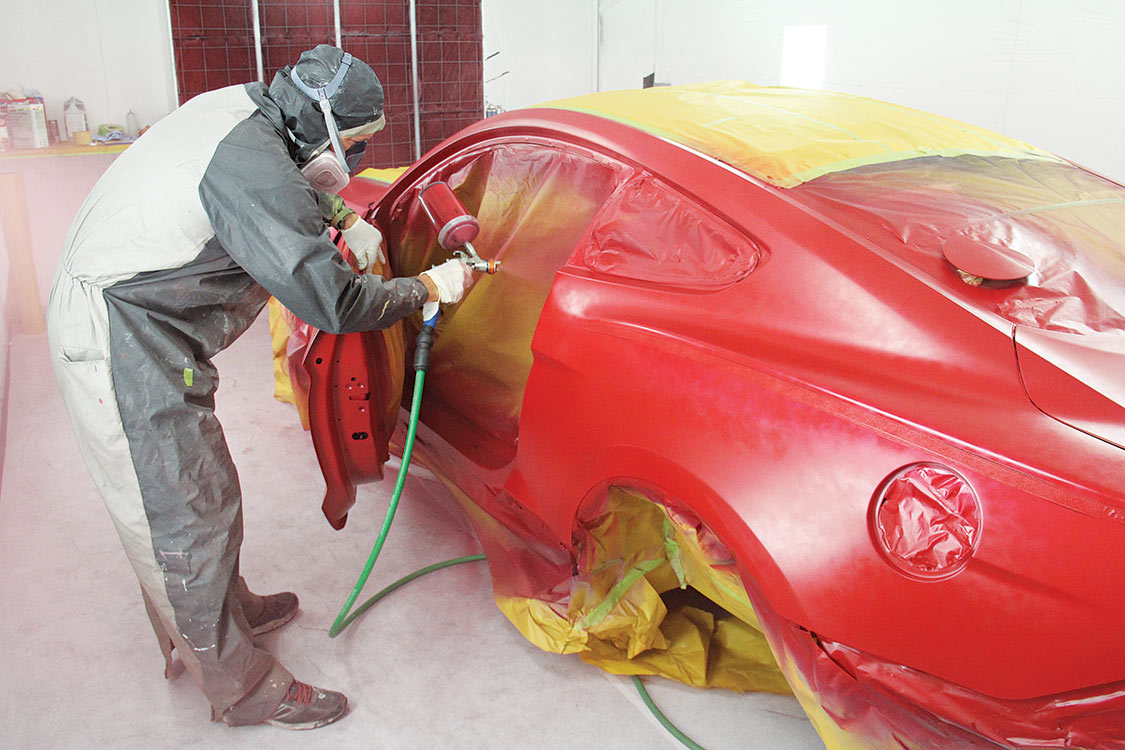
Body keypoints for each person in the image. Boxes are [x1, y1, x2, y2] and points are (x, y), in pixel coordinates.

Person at [46, 45, 471, 729]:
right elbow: (332, 300)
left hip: (145, 319)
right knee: (178, 508)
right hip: (116, 330)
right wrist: (425, 286)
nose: (357, 157)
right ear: (321, 120)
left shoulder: (253, 108)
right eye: (354, 144)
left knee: (204, 483)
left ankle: (227, 608)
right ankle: (242, 689)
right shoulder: (249, 162)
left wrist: (341, 215)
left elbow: (273, 179)